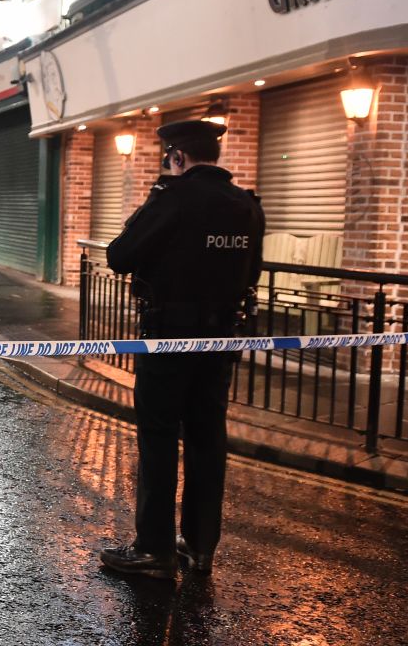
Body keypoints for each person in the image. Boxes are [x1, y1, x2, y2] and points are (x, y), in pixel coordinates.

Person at [101, 119, 265, 579]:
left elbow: (119, 255)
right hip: (221, 341)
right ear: (215, 154)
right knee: (207, 438)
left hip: (168, 338)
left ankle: (154, 549)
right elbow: (253, 271)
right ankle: (199, 546)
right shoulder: (248, 206)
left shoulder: (172, 199)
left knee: (158, 437)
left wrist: (157, 198)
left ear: (175, 157)